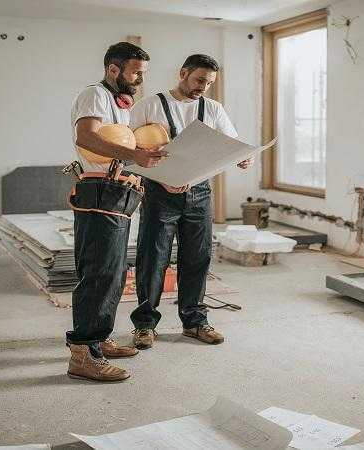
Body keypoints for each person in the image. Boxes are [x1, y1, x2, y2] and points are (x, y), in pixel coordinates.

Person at [128, 54, 252, 349]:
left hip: (199, 194)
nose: (203, 87)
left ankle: (195, 322)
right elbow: (129, 149)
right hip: (159, 193)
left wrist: (242, 158)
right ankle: (145, 325)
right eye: (199, 80)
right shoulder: (149, 105)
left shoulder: (213, 108)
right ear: (183, 73)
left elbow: (230, 143)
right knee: (153, 259)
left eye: (209, 83)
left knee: (197, 258)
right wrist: (160, 177)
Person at [65, 42, 167, 382]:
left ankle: (100, 338)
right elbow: (88, 138)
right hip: (98, 189)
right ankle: (83, 354)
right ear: (113, 69)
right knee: (98, 272)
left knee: (114, 272)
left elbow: (121, 147)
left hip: (118, 189)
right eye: (136, 72)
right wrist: (135, 154)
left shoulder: (121, 106)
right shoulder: (94, 94)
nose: (139, 79)